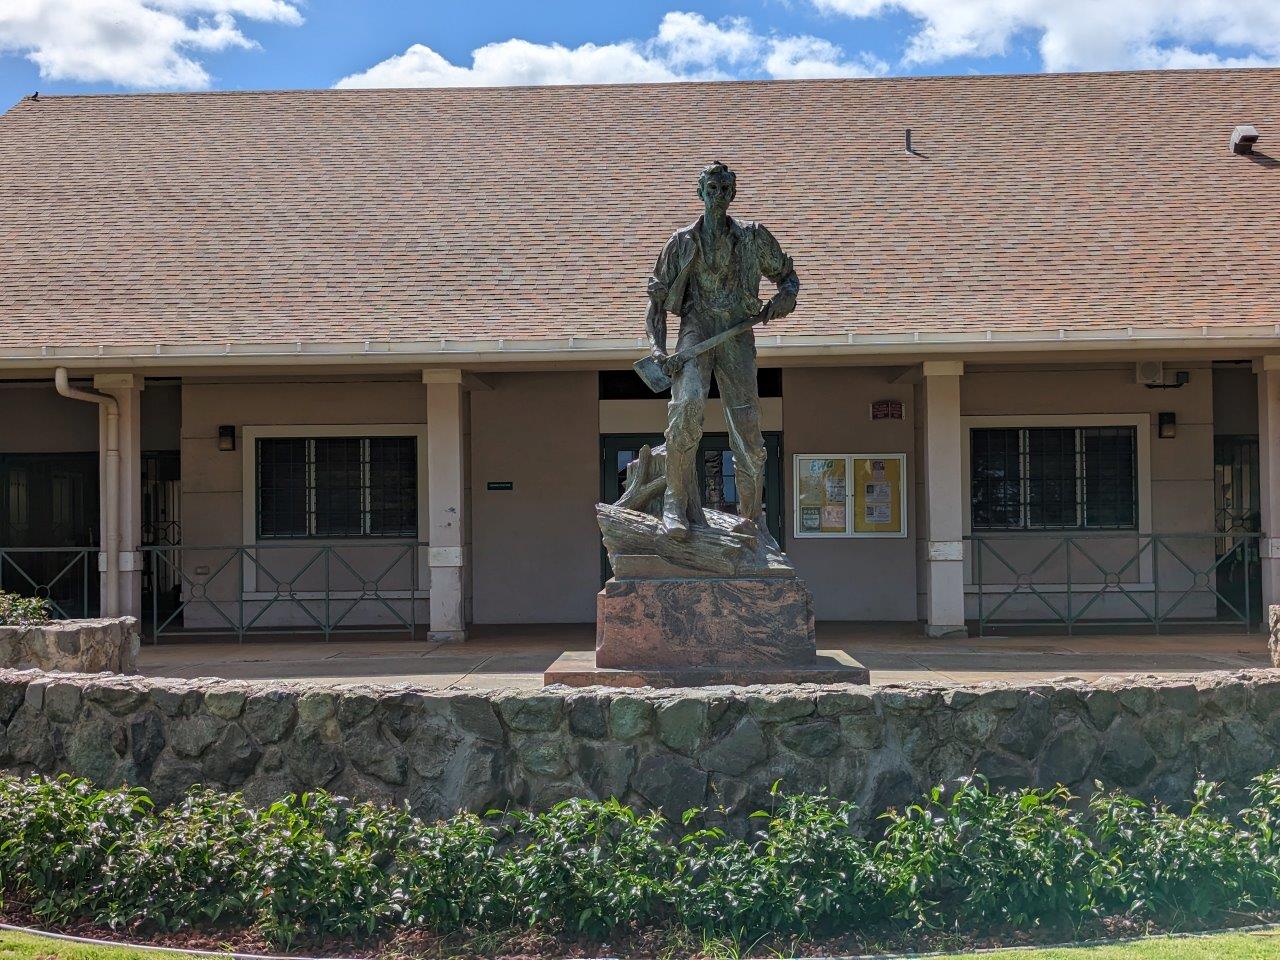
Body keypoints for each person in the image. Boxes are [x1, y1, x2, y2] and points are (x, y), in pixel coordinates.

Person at [645, 161, 800, 541]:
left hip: (736, 331)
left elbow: (788, 278)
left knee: (747, 427)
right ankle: (674, 506)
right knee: (687, 411)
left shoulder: (753, 237)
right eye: (711, 189)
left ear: (732, 194)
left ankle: (752, 521)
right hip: (696, 330)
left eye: (724, 189)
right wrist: (657, 349)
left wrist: (785, 298)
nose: (717, 196)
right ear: (701, 193)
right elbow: (656, 303)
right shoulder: (681, 243)